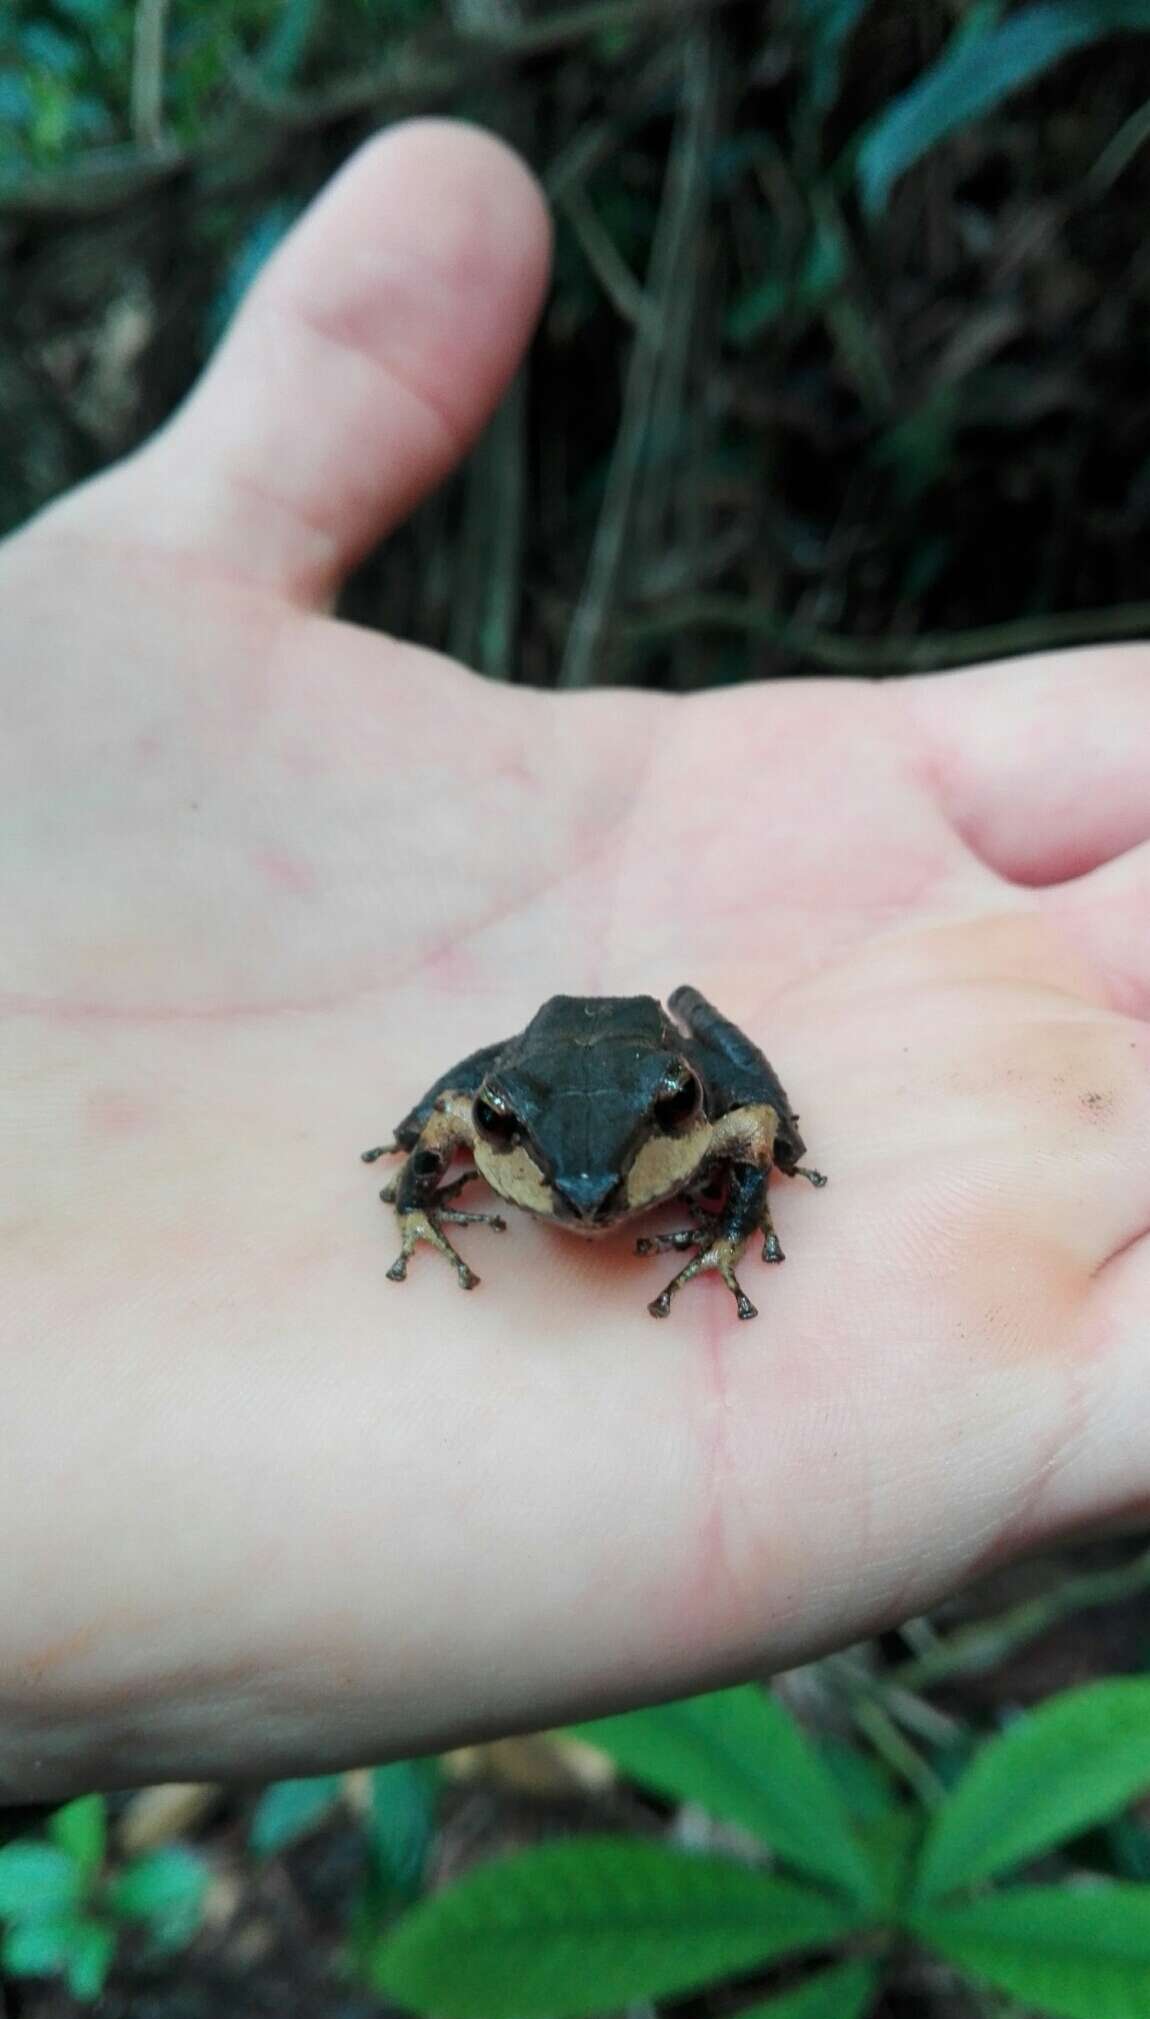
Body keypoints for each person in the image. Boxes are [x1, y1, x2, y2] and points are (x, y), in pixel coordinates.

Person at [3, 119, 1148, 1806]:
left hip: (646, 1046)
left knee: (742, 1118)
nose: (596, 1198)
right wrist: (422, 1186)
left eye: (623, 1172)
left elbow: (744, 1145)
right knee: (504, 1128)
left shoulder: (700, 1126)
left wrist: (743, 1183)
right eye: (552, 1171)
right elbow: (452, 1112)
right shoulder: (500, 1120)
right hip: (555, 1048)